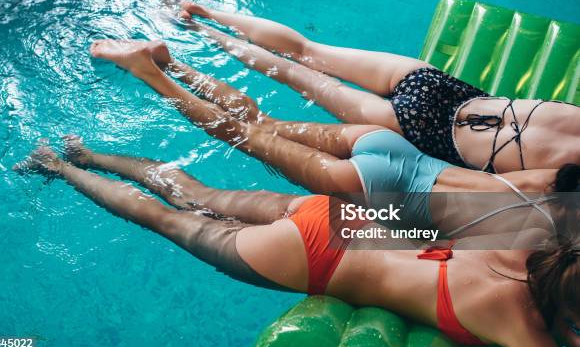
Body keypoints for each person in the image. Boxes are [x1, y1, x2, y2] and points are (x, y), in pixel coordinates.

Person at [14, 139, 579, 347]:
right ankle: (60, 171)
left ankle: (80, 156)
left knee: (196, 193)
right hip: (317, 258)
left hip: (342, 221)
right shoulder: (525, 328)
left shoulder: (530, 241)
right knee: (166, 222)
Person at [89, 39, 570, 237]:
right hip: (376, 186)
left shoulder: (558, 179)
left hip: (387, 146)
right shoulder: (546, 239)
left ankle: (171, 62)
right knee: (239, 134)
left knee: (262, 121)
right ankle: (149, 72)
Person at [166, 0, 580, 174]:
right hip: (425, 129)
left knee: (305, 48)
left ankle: (202, 13)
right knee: (292, 74)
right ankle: (209, 38)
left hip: (439, 88)